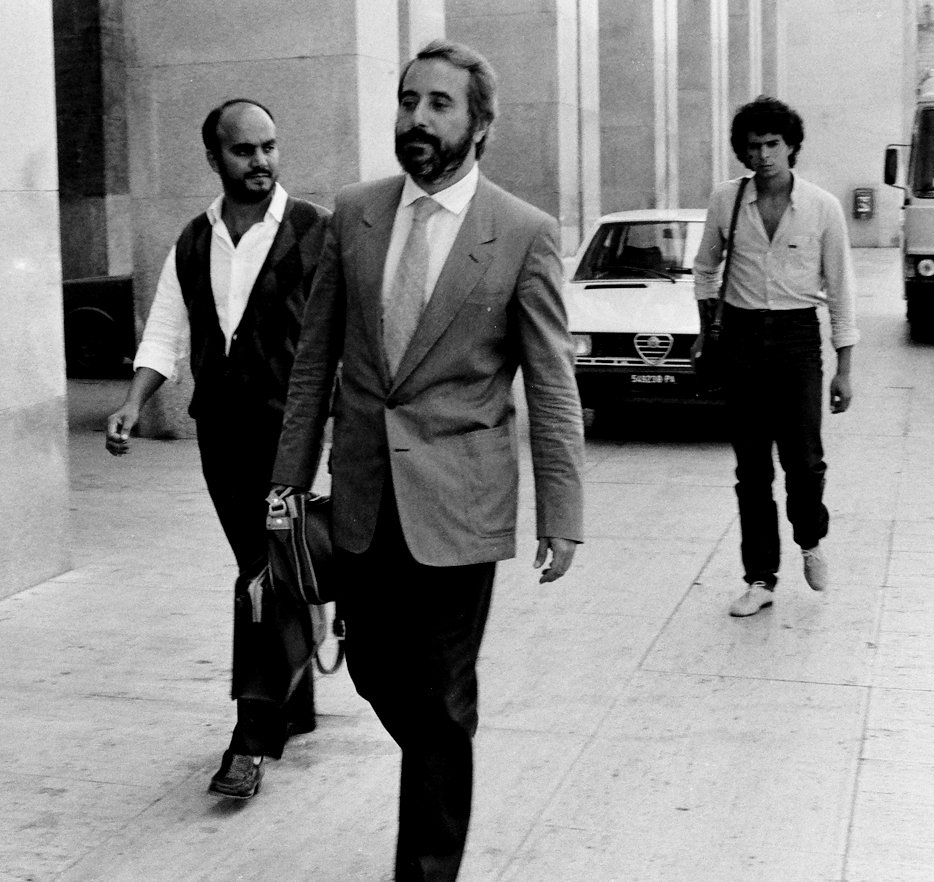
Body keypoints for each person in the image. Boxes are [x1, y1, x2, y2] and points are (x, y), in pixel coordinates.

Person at [269, 40, 585, 882]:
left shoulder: (522, 233)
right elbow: (314, 361)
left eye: (440, 104)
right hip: (365, 496)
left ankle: (427, 867)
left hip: (461, 503)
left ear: (480, 124)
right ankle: (444, 750)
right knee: (376, 671)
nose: (417, 117)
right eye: (409, 100)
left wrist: (561, 513)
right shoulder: (355, 214)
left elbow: (552, 386)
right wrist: (286, 483)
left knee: (442, 696)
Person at [105, 98, 331, 799]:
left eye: (269, 146)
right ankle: (293, 700)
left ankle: (251, 737)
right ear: (214, 157)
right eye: (244, 150)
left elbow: (345, 338)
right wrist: (133, 403)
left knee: (263, 574)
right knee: (263, 566)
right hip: (221, 434)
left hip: (289, 433)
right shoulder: (193, 240)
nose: (261, 161)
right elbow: (164, 332)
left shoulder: (314, 231)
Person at [691, 96, 859, 618]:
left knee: (804, 461)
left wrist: (844, 369)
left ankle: (810, 540)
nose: (763, 155)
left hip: (797, 340)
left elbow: (841, 289)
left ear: (791, 147)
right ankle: (760, 578)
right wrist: (707, 329)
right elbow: (704, 269)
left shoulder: (822, 207)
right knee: (752, 470)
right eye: (753, 146)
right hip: (741, 340)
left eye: (772, 144)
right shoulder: (726, 200)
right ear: (741, 151)